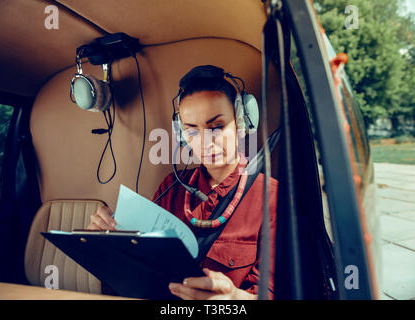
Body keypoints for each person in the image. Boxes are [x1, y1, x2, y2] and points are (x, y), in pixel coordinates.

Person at [87, 65, 278, 300]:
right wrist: (106, 243)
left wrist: (234, 298)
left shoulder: (271, 196)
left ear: (241, 122)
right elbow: (141, 268)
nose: (206, 142)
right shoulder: (171, 187)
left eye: (216, 127)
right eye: (193, 131)